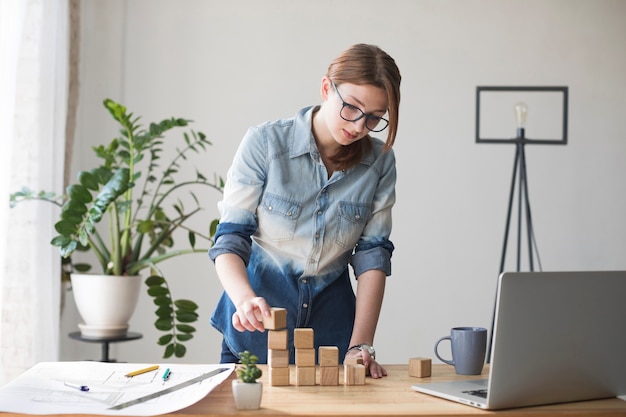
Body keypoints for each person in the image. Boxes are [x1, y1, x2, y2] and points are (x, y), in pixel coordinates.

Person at [209, 43, 401, 379]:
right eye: (352, 108)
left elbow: (373, 257)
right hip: (254, 334)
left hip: (332, 339)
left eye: (374, 117)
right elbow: (230, 238)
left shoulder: (379, 162)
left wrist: (361, 345)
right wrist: (244, 300)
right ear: (327, 88)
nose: (359, 126)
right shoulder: (265, 144)